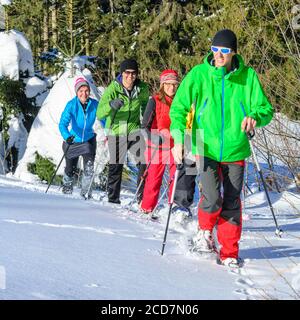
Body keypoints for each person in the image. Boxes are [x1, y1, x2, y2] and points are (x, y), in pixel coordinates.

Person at [170, 29, 274, 268]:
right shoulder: (200, 74)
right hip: (204, 146)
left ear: (233, 52)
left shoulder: (247, 77)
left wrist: (255, 117)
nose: (218, 55)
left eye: (224, 51)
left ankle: (229, 251)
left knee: (232, 201)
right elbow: (178, 109)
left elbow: (265, 109)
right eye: (215, 49)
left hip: (235, 149)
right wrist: (178, 139)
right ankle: (204, 233)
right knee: (212, 197)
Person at [140, 69, 196, 219]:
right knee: (153, 178)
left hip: (175, 145)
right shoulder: (155, 100)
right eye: (168, 84)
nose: (172, 88)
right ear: (162, 84)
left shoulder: (181, 101)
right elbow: (144, 127)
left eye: (174, 85)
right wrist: (153, 137)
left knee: (176, 178)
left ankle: (173, 207)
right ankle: (147, 207)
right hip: (157, 145)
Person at [96, 59, 149, 204]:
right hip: (117, 129)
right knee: (116, 166)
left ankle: (142, 198)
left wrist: (147, 122)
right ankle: (113, 199)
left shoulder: (142, 88)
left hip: (133, 129)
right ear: (122, 73)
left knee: (144, 163)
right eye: (127, 73)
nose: (130, 76)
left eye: (133, 73)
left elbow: (145, 107)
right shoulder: (114, 88)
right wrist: (111, 105)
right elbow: (100, 113)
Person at [59, 76, 98, 199]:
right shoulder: (71, 105)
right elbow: (62, 124)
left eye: (86, 90)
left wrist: (108, 130)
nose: (84, 94)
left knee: (89, 168)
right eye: (81, 91)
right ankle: (67, 191)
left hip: (88, 140)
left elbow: (104, 119)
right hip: (73, 141)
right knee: (70, 169)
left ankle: (85, 194)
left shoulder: (95, 104)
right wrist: (67, 136)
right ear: (77, 92)